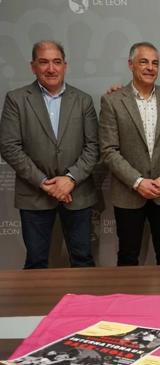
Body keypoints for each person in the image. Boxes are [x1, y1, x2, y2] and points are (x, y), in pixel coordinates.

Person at [0, 40, 98, 269]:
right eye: (43, 62)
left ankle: (85, 306)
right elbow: (9, 147)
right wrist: (46, 184)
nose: (51, 68)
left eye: (57, 62)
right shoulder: (16, 99)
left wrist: (70, 179)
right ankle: (38, 307)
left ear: (65, 65)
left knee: (83, 259)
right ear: (33, 66)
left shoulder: (83, 100)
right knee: (36, 262)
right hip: (34, 193)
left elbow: (94, 146)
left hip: (78, 193)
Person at [99, 42, 160, 266]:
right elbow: (109, 150)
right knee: (128, 255)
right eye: (144, 62)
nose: (150, 67)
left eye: (155, 63)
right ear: (131, 65)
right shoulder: (112, 101)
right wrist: (138, 182)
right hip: (129, 193)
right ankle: (128, 302)